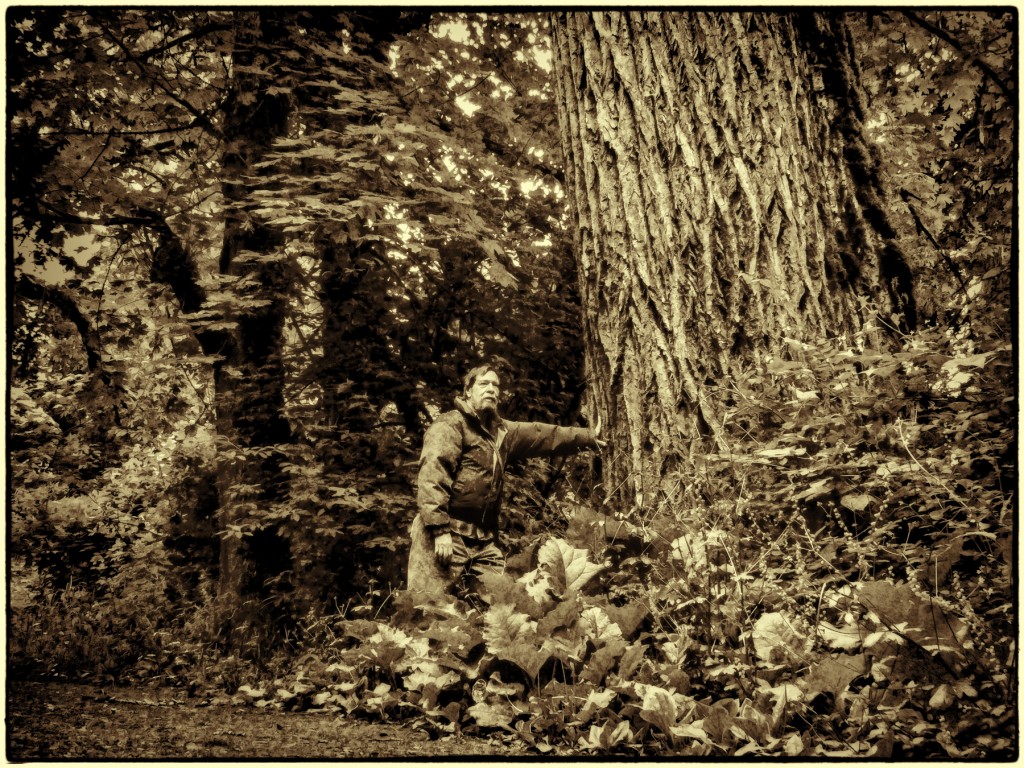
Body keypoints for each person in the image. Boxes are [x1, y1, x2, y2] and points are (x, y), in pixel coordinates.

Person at [407, 364, 604, 601]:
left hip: (483, 539)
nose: (491, 389)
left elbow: (543, 435)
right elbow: (432, 476)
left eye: (495, 385)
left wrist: (588, 437)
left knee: (500, 605)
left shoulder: (502, 433)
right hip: (445, 532)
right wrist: (439, 530)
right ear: (467, 391)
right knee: (424, 606)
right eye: (483, 384)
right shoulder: (450, 425)